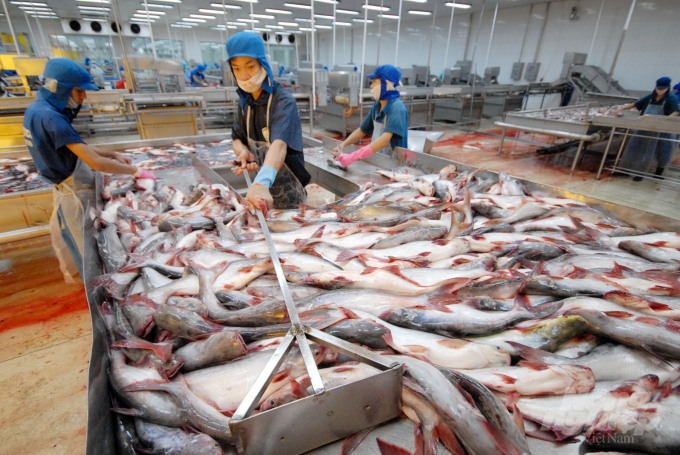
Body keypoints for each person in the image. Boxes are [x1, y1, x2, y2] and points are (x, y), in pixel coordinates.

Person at [23, 58, 155, 282]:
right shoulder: (52, 117)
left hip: (67, 189)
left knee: (83, 244)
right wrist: (135, 171)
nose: (83, 96)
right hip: (75, 195)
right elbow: (95, 163)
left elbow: (76, 147)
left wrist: (112, 154)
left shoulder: (38, 110)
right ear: (61, 88)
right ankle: (98, 292)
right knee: (90, 251)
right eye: (78, 91)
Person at [226, 31, 310, 213]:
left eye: (250, 66)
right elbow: (237, 138)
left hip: (289, 194)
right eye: (237, 68)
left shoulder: (282, 101)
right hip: (259, 194)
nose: (245, 75)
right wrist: (243, 152)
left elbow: (279, 146)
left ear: (262, 64)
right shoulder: (245, 101)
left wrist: (261, 181)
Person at [330, 65, 408, 167]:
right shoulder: (378, 104)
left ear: (387, 84)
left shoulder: (397, 108)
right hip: (379, 161)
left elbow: (384, 140)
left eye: (375, 82)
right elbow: (362, 130)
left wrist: (353, 156)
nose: (371, 86)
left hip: (395, 165)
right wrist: (342, 145)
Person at [615, 77, 679, 181]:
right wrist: (621, 109)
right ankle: (625, 171)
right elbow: (636, 104)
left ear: (667, 87)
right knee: (635, 149)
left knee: (658, 152)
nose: (660, 90)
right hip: (644, 128)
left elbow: (675, 111)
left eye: (662, 88)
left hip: (660, 130)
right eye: (659, 88)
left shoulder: (671, 98)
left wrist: (666, 119)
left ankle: (643, 173)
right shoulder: (651, 96)